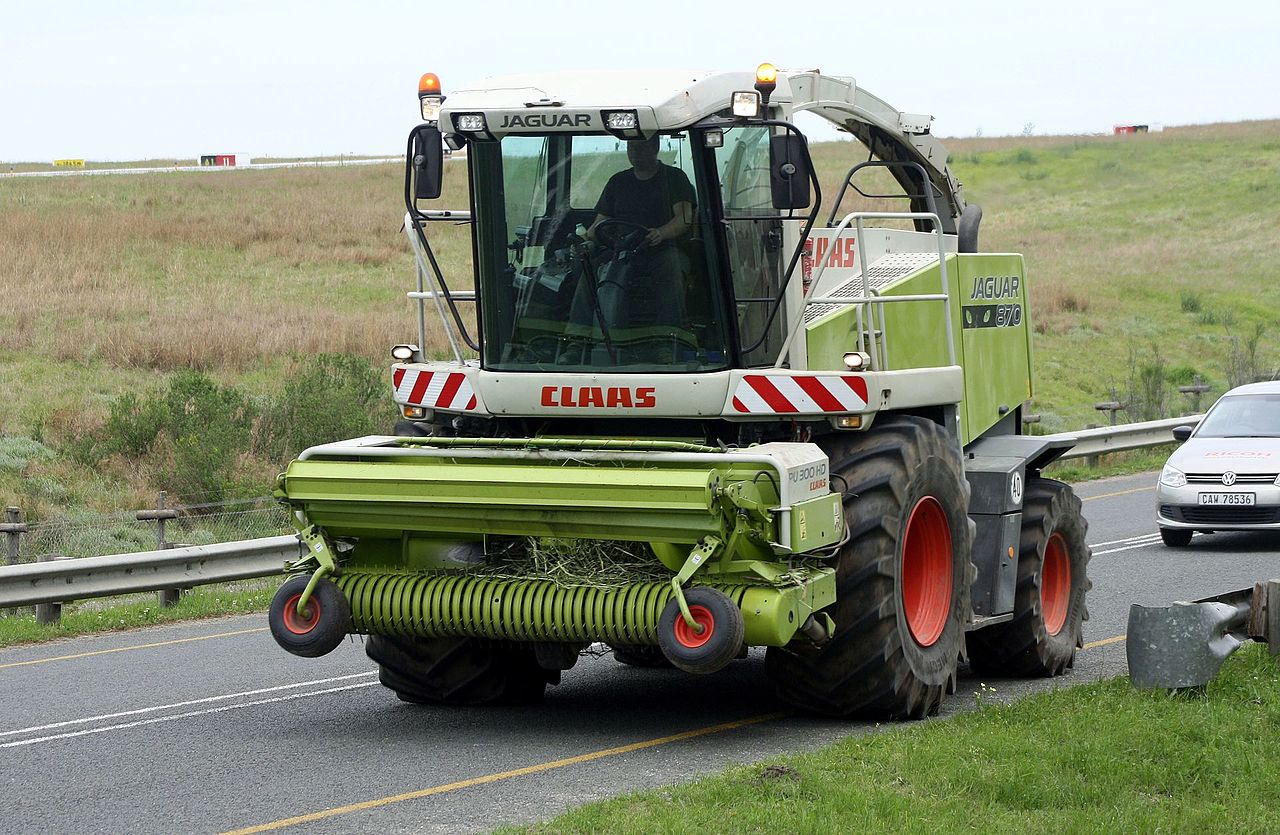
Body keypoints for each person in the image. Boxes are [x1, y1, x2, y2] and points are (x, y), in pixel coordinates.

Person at [569, 136, 695, 335]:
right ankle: (577, 339)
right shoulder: (618, 182)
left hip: (660, 250)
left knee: (674, 268)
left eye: (641, 147)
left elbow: (685, 218)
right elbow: (601, 221)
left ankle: (668, 339)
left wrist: (660, 233)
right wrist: (584, 241)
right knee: (588, 269)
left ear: (655, 147)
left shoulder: (674, 178)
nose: (635, 153)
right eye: (631, 147)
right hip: (619, 251)